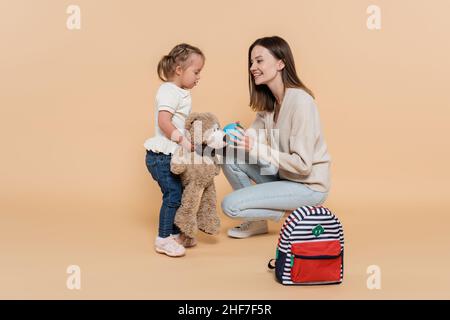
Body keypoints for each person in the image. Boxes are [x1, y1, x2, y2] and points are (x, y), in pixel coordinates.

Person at [221, 36, 331, 238]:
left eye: (259, 60)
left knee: (230, 206)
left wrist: (254, 147)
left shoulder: (301, 102)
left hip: (308, 187)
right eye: (251, 62)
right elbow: (250, 138)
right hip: (284, 178)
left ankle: (300, 216)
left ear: (280, 63)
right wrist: (224, 137)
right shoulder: (270, 105)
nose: (253, 67)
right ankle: (257, 223)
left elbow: (303, 165)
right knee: (229, 156)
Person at [144, 43, 204, 256]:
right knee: (173, 194)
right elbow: (164, 121)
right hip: (160, 156)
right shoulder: (169, 91)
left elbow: (180, 123)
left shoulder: (180, 92)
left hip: (171, 154)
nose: (198, 77)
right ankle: (163, 238)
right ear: (179, 70)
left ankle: (176, 234)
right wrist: (182, 140)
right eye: (196, 72)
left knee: (179, 194)